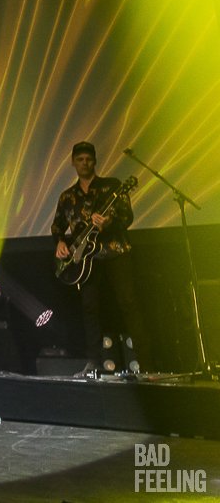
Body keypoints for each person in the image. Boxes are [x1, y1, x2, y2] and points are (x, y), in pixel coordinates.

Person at [52, 141, 150, 376]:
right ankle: (94, 362)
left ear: (94, 161)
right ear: (73, 163)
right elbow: (57, 225)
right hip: (87, 260)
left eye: (88, 159)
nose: (84, 163)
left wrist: (108, 223)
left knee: (128, 303)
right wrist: (60, 242)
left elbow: (127, 217)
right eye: (80, 159)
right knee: (89, 308)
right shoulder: (67, 196)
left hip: (116, 251)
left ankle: (147, 362)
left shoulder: (112, 187)